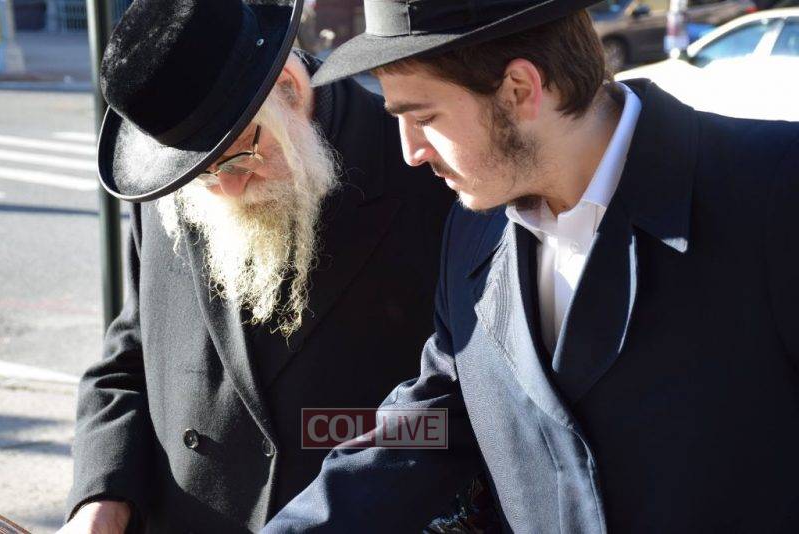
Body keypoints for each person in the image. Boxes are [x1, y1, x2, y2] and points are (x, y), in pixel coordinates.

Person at [262, 0, 799, 532]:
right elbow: (439, 419)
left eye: (423, 118)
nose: (411, 151)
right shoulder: (472, 230)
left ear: (520, 90)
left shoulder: (773, 189)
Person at [59, 0, 460, 532]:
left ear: (289, 90)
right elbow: (130, 357)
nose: (225, 189)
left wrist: (330, 447)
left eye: (238, 157)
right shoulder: (176, 181)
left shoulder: (428, 177)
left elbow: (448, 416)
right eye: (203, 174)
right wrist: (102, 495)